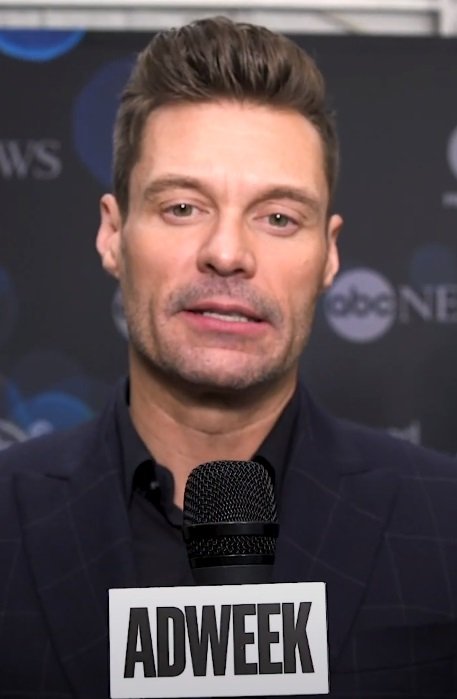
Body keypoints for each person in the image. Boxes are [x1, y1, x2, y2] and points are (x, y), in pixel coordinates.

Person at [0, 15, 456, 699]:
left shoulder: (443, 522)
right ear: (113, 234)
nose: (227, 253)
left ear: (328, 254)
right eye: (183, 207)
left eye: (278, 217)